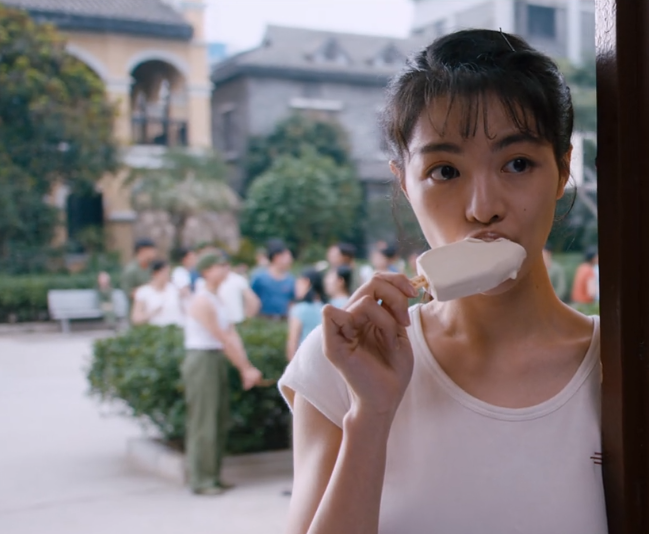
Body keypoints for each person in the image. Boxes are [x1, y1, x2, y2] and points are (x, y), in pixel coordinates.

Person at [278, 30, 606, 534]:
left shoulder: (624, 366)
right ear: (404, 183)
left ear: (562, 171)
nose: (483, 208)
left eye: (518, 164)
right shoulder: (341, 366)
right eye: (445, 171)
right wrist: (371, 415)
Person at [183, 252, 263, 496]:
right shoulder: (202, 301)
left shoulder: (216, 298)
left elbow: (231, 335)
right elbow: (222, 337)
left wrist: (246, 366)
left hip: (215, 358)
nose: (226, 269)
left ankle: (213, 475)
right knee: (204, 420)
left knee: (218, 418)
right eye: (220, 266)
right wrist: (245, 368)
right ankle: (201, 479)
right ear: (206, 271)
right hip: (202, 359)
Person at [195, 255, 261, 324]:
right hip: (219, 323)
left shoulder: (237, 279)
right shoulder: (201, 283)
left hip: (231, 322)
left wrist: (247, 318)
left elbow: (253, 301)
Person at [286, 268, 327, 361]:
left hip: (304, 361)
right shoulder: (327, 308)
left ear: (306, 282)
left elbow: (292, 345)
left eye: (298, 283)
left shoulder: (298, 309)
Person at [250, 239, 296, 320]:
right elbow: (251, 299)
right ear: (277, 257)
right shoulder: (259, 278)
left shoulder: (291, 280)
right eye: (287, 256)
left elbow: (292, 302)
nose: (290, 260)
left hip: (283, 321)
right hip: (263, 320)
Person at [131, 260, 185, 327]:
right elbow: (136, 319)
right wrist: (151, 313)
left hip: (176, 328)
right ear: (156, 273)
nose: (167, 276)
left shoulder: (174, 289)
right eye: (165, 273)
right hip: (156, 330)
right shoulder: (143, 292)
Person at [121, 238, 157, 303]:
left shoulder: (152, 268)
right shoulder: (131, 270)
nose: (154, 253)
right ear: (142, 250)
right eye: (151, 250)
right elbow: (128, 293)